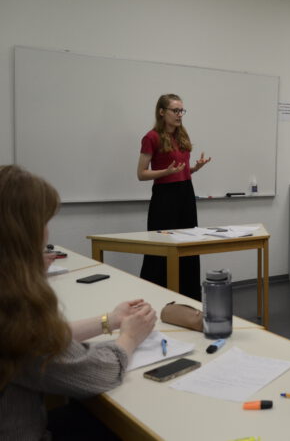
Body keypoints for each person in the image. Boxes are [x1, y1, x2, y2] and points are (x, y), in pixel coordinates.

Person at [0, 164, 157, 440]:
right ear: (23, 235)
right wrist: (130, 337)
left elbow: (44, 340)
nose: (47, 234)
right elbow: (98, 371)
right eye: (44, 223)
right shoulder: (14, 314)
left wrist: (109, 320)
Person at [137, 94, 211, 300]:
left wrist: (195, 168)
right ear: (162, 112)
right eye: (175, 110)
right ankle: (156, 298)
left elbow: (180, 171)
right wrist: (164, 172)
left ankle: (188, 298)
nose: (180, 115)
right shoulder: (151, 137)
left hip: (186, 193)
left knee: (188, 246)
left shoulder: (182, 136)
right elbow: (141, 174)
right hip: (165, 198)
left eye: (182, 111)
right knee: (161, 249)